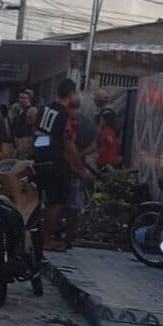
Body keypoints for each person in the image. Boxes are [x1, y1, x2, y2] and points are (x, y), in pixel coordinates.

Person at [34, 78, 90, 252]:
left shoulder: (43, 109)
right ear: (71, 93)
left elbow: (37, 133)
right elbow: (68, 144)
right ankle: (46, 240)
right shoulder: (65, 115)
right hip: (55, 163)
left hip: (38, 159)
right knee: (55, 202)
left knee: (35, 200)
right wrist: (80, 167)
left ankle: (31, 236)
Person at [64, 101, 99, 248]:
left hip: (69, 167)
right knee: (73, 204)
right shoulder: (88, 123)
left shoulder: (66, 121)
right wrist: (80, 156)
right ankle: (68, 236)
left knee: (67, 203)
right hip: (76, 167)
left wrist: (76, 156)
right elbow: (95, 145)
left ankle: (66, 235)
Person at [9, 88, 38, 159]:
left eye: (24, 98)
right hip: (16, 139)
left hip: (26, 140)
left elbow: (35, 125)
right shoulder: (18, 109)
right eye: (20, 98)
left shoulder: (32, 110)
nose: (21, 100)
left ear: (29, 99)